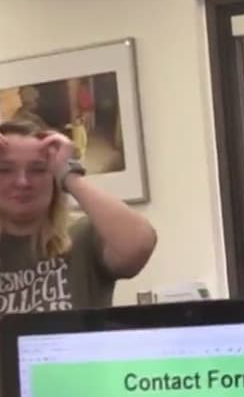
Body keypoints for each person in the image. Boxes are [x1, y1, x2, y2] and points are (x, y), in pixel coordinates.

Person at [0, 120, 156, 314]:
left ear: (54, 177)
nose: (22, 182)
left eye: (38, 170)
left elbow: (139, 245)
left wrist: (70, 173)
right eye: (4, 170)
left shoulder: (82, 237)